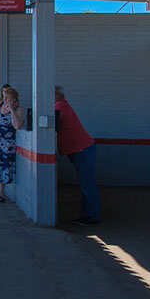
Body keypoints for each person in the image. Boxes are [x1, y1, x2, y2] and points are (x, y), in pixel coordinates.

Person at [55, 85, 100, 224]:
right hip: (83, 149)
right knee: (86, 183)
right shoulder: (62, 105)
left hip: (81, 150)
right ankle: (87, 214)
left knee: (88, 184)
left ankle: (92, 216)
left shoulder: (59, 108)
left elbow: (50, 124)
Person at [0, 85, 25, 202]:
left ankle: (1, 193)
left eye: (7, 98)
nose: (5, 100)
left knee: (3, 167)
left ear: (14, 100)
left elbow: (17, 125)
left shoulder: (18, 109)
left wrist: (12, 109)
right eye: (4, 98)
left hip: (6, 145)